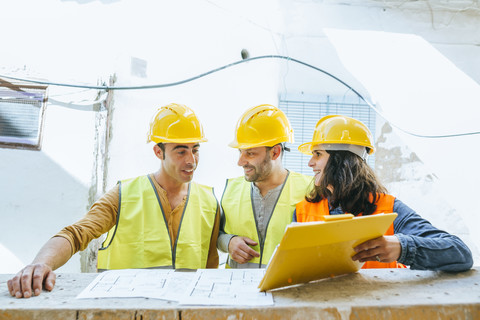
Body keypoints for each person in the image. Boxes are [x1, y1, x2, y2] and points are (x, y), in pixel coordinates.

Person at [7, 103, 220, 298]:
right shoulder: (124, 194)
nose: (191, 160)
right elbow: (75, 234)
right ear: (158, 152)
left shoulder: (209, 202)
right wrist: (40, 264)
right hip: (127, 310)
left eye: (195, 150)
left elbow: (210, 270)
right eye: (181, 151)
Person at [294, 114, 473, 271]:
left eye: (318, 154)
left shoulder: (388, 207)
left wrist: (403, 248)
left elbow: (459, 252)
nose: (310, 163)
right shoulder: (303, 212)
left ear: (342, 160)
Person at [218, 104, 312, 268]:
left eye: (250, 153)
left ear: (275, 152)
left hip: (286, 289)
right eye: (240, 152)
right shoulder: (231, 189)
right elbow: (216, 234)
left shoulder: (310, 190)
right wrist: (229, 242)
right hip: (236, 289)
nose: (240, 162)